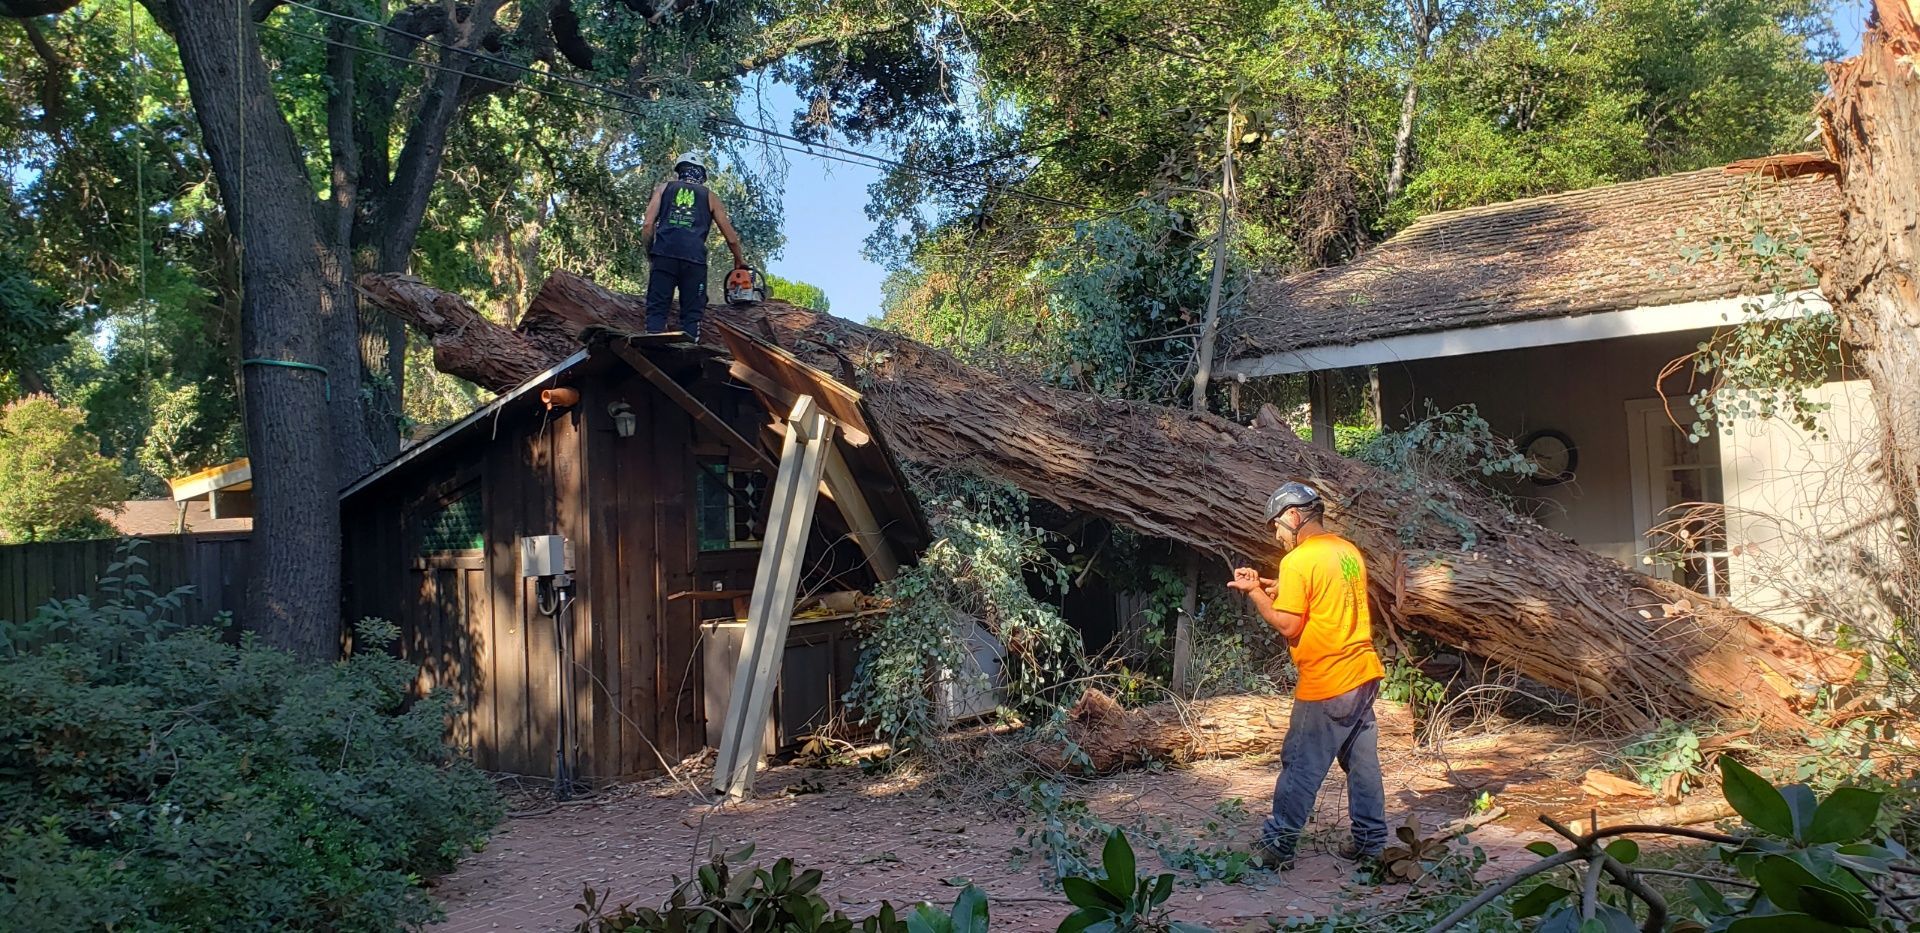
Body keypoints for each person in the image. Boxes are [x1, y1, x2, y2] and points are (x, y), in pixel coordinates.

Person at [1226, 481, 1388, 872]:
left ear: (1294, 517)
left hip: (1328, 680)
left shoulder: (1298, 560)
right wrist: (1276, 586)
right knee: (1362, 764)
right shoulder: (1346, 551)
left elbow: (1289, 624)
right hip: (1363, 672)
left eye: (1277, 527)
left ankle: (1277, 847)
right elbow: (1325, 592)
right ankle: (1372, 843)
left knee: (1300, 764)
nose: (1277, 536)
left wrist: (1256, 594)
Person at [640, 151, 746, 340]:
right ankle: (688, 348)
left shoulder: (664, 189)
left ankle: (652, 343)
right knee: (692, 313)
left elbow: (648, 224)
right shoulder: (710, 196)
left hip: (664, 255)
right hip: (694, 260)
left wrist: (651, 253)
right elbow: (731, 238)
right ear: (702, 175)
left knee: (656, 309)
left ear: (679, 172)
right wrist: (739, 261)